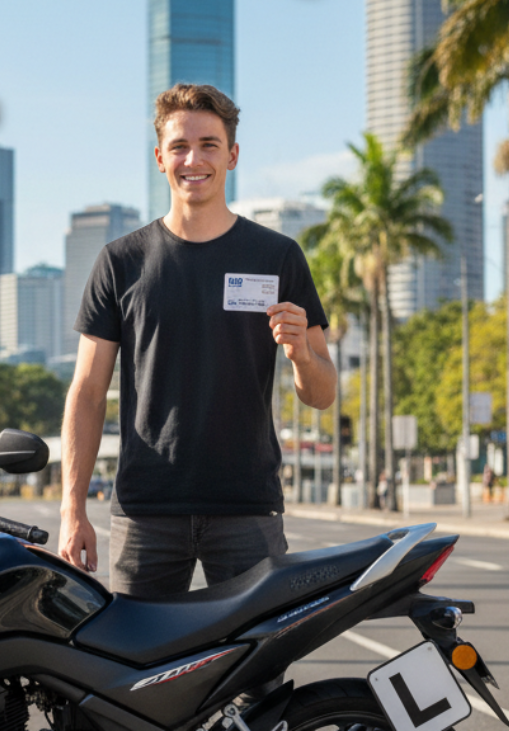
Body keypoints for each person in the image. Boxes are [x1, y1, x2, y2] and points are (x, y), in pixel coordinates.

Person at [58, 83, 336, 597]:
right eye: (180, 146)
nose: (194, 159)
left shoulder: (277, 257)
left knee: (262, 651)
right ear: (160, 158)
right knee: (136, 651)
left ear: (232, 155)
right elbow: (88, 392)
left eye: (209, 144)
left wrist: (300, 355)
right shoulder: (120, 262)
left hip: (248, 510)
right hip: (145, 513)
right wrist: (72, 509)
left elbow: (322, 395)